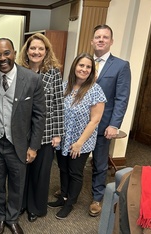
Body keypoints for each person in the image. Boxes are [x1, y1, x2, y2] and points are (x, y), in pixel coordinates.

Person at [0, 38, 46, 234]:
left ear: (14, 53)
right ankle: (0, 217)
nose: (2, 58)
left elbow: (39, 115)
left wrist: (34, 146)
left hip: (18, 143)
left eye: (6, 53)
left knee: (17, 184)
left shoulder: (31, 79)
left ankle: (12, 219)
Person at [49, 53, 106, 219]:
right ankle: (63, 196)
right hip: (63, 139)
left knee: (75, 172)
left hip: (81, 142)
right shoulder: (65, 86)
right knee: (63, 169)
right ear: (75, 66)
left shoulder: (95, 90)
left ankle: (69, 203)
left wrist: (79, 143)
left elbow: (95, 121)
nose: (84, 69)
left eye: (88, 67)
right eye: (81, 65)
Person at [16, 33, 64, 222]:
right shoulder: (18, 71)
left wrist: (58, 133)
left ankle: (35, 207)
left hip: (46, 131)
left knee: (40, 172)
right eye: (33, 48)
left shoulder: (53, 73)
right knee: (21, 171)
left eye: (40, 49)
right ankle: (20, 204)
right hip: (21, 131)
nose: (36, 52)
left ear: (46, 52)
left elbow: (58, 104)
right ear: (27, 51)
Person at [89, 24, 131, 217]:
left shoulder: (121, 66)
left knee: (99, 162)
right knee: (74, 160)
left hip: (104, 123)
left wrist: (114, 124)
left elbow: (122, 98)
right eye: (98, 37)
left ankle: (97, 197)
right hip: (82, 123)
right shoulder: (84, 62)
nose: (101, 40)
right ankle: (68, 191)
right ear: (92, 41)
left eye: (105, 37)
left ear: (111, 41)